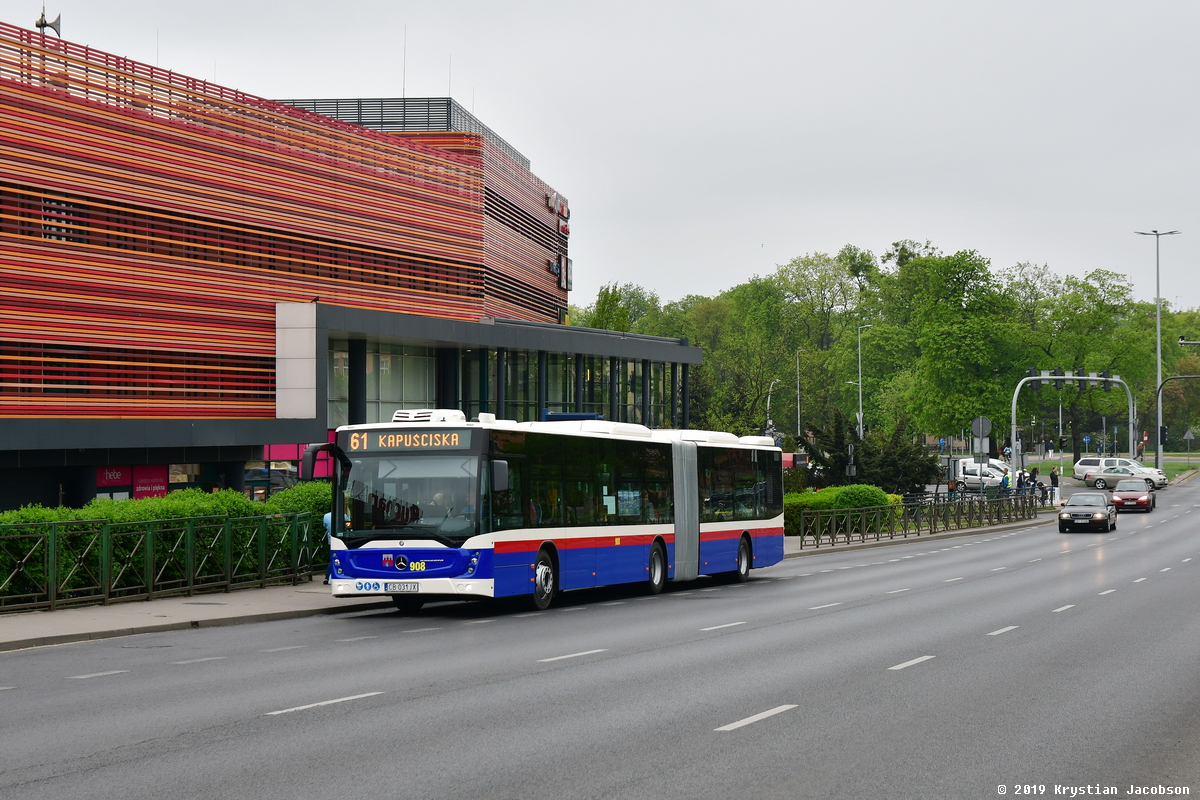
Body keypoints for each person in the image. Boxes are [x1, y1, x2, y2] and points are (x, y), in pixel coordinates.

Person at [323, 511, 332, 584]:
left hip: (331, 540)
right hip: (342, 539)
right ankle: (328, 576)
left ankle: (327, 577)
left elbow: (325, 526)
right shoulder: (344, 515)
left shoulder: (326, 516)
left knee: (332, 558)